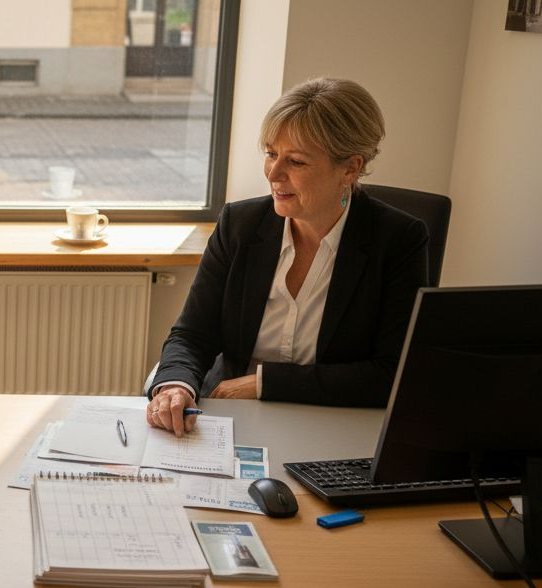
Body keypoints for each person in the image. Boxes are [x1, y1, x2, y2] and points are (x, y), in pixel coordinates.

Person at [145, 77, 426, 436]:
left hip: (334, 425)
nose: (274, 174)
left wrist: (263, 383)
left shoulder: (399, 239)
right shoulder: (239, 224)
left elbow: (393, 373)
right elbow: (191, 335)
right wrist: (175, 387)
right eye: (270, 153)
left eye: (295, 161)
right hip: (231, 416)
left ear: (350, 169)